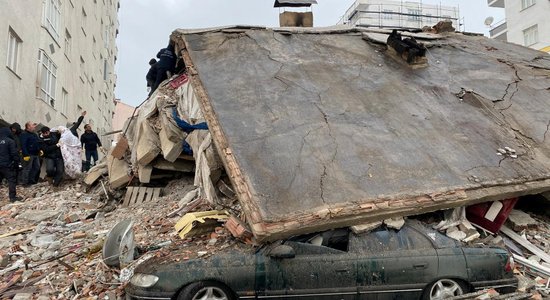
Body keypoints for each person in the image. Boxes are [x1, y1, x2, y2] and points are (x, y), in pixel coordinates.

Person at [0, 127, 23, 202]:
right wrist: (17, 164)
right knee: (11, 180)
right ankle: (12, 197)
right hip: (7, 165)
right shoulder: (10, 141)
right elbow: (14, 154)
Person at [19, 122, 41, 186]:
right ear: (28, 127)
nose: (34, 126)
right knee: (27, 168)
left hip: (35, 154)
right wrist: (25, 154)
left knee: (36, 167)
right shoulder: (24, 134)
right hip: (29, 154)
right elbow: (23, 145)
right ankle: (25, 182)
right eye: (33, 125)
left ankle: (31, 180)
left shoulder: (34, 134)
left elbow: (38, 142)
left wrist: (40, 150)